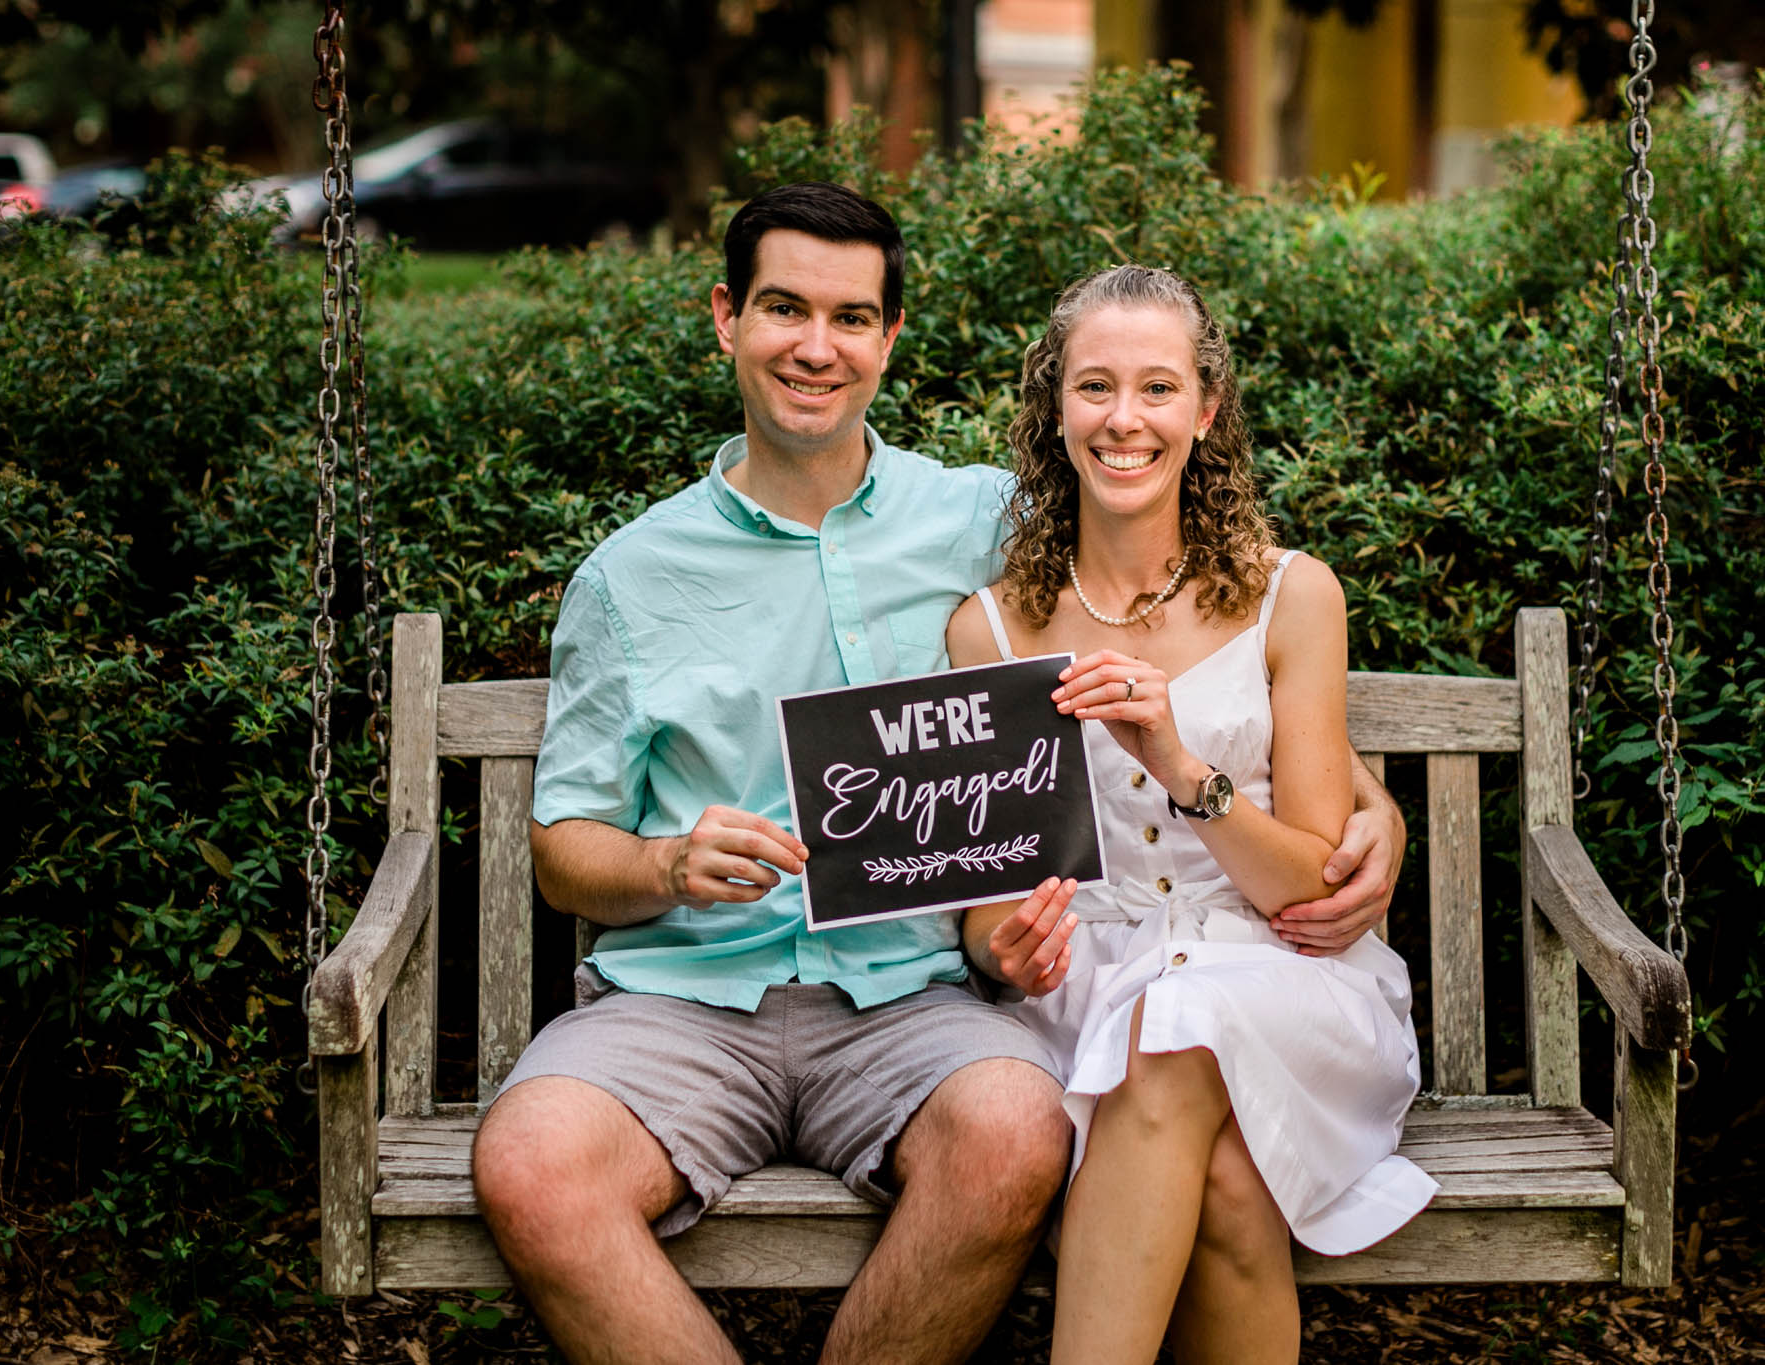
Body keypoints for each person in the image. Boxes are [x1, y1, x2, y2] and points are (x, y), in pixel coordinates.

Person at [471, 184, 1404, 1365]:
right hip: (685, 999)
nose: (817, 347)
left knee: (1015, 1134)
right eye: (782, 309)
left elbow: (1192, 620)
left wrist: (1375, 808)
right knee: (529, 1167)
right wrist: (662, 862)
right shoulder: (628, 576)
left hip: (910, 998)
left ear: (888, 337)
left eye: (851, 316)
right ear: (725, 318)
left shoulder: (987, 523)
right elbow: (564, 851)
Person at [952, 265, 1436, 1365]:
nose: (1124, 420)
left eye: (1158, 389)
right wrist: (1007, 950)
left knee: (1174, 1038)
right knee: (1222, 1176)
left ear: (1205, 410)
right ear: (1055, 409)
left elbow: (1313, 892)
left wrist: (1181, 764)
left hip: (1280, 974)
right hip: (1090, 986)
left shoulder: (1289, 597)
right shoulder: (988, 630)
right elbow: (987, 914)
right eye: (1094, 388)